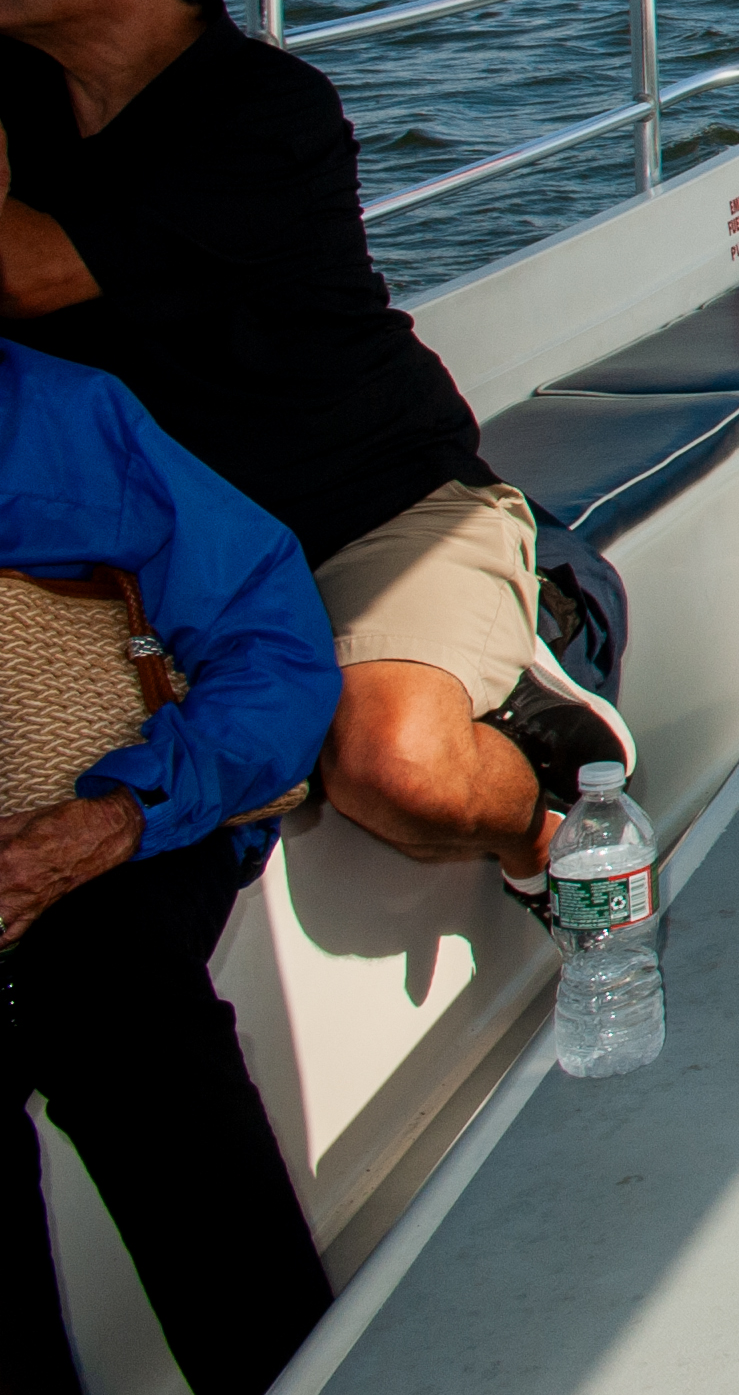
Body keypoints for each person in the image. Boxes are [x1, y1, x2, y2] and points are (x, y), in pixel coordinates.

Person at [0, 0, 624, 907]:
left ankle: (551, 835)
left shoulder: (262, 113)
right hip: (149, 549)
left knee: (397, 770)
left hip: (357, 512)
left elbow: (29, 275)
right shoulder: (21, 95)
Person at [0, 337, 341, 1394]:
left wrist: (107, 820)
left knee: (116, 998)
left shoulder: (60, 413)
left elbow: (270, 647)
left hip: (116, 813)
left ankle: (284, 1372)